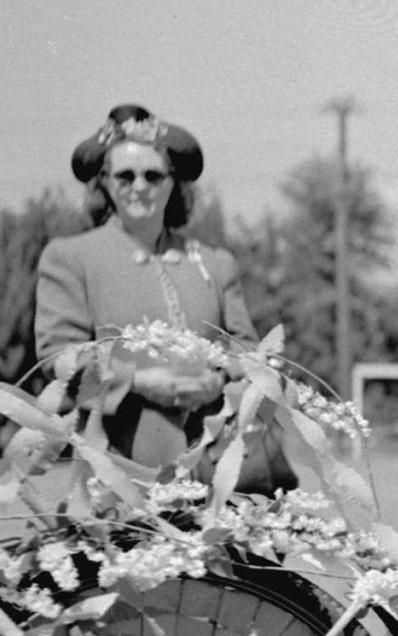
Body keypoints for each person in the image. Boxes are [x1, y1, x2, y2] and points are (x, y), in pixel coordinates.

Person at [36, 105, 255, 466]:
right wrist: (137, 380)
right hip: (115, 468)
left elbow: (247, 350)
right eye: (125, 176)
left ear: (173, 182)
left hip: (213, 466)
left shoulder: (216, 264)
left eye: (153, 176)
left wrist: (218, 378)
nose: (139, 187)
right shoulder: (70, 258)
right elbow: (59, 357)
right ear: (104, 182)